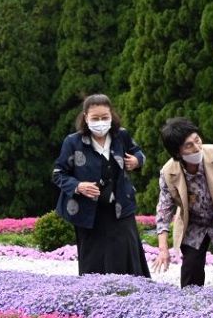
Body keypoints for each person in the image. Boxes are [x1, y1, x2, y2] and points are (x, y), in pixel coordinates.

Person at [52, 94, 150, 277]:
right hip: (88, 211)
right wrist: (78, 185)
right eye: (95, 118)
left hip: (121, 206)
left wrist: (137, 160)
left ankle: (132, 295)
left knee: (126, 253)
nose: (100, 122)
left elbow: (139, 153)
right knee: (93, 259)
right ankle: (96, 298)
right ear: (85, 117)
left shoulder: (121, 135)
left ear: (111, 116)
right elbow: (58, 174)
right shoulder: (73, 142)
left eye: (104, 117)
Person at [153, 118, 213, 292]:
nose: (197, 147)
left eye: (197, 140)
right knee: (191, 271)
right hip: (193, 224)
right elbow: (164, 209)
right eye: (188, 145)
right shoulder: (168, 172)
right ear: (177, 152)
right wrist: (163, 248)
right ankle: (193, 309)